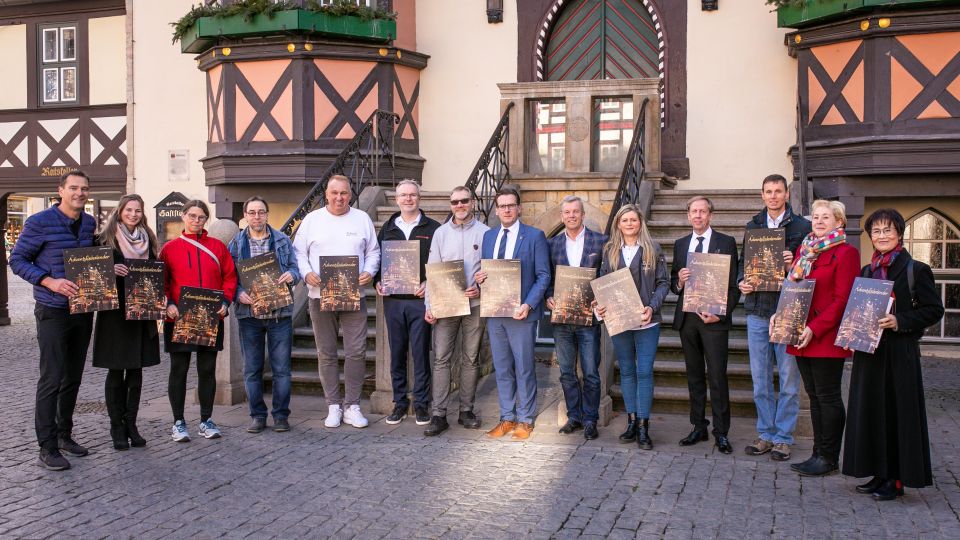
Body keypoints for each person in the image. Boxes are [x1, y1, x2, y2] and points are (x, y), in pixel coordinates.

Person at [842, 208, 943, 500]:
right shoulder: (866, 271)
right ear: (870, 236)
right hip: (869, 353)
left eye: (887, 230)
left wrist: (900, 321)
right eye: (876, 231)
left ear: (898, 233)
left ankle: (896, 479)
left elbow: (934, 310)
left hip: (899, 354)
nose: (882, 236)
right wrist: (851, 331)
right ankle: (878, 472)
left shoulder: (916, 270)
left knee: (896, 414)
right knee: (872, 412)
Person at [10, 170, 97, 470]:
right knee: (52, 377)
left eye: (84, 189)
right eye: (73, 188)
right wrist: (49, 281)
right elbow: (17, 261)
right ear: (60, 190)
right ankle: (46, 446)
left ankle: (64, 435)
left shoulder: (89, 222)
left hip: (82, 310)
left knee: (72, 377)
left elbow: (92, 260)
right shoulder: (39, 222)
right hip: (52, 310)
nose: (79, 193)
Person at [293, 174, 380, 429]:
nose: (339, 198)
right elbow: (298, 252)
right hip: (319, 296)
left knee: (356, 351)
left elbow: (373, 251)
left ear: (350, 194)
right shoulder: (312, 220)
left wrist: (370, 271)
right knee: (326, 353)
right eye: (334, 193)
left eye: (343, 193)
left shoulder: (362, 219)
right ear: (326, 194)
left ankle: (352, 406)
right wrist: (306, 273)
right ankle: (333, 405)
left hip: (354, 295)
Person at [738, 174, 811, 462]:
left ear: (786, 194)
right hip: (757, 309)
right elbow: (746, 265)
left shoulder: (802, 227)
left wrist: (794, 263)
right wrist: (742, 282)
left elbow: (809, 268)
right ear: (762, 194)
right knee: (760, 379)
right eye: (768, 192)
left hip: (788, 310)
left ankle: (783, 437)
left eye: (778, 191)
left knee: (789, 379)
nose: (773, 196)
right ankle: (765, 434)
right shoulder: (753, 226)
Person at [785, 199, 859, 477]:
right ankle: (817, 452)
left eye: (825, 217)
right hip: (800, 334)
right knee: (814, 397)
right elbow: (794, 291)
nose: (818, 221)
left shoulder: (845, 253)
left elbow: (842, 301)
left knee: (827, 396)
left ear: (839, 222)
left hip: (824, 335)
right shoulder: (806, 251)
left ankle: (829, 456)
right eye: (815, 217)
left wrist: (815, 327)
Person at [475, 188, 550, 441]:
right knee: (502, 367)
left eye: (511, 205)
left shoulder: (534, 236)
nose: (506, 209)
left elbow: (543, 275)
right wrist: (480, 278)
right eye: (502, 206)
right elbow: (486, 272)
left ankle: (526, 419)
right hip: (496, 312)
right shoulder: (489, 237)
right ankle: (507, 417)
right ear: (496, 210)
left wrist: (528, 304)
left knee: (525, 367)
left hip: (521, 313)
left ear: (519, 208)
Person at [160, 200, 238, 443]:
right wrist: (168, 303)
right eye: (192, 216)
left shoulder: (217, 247)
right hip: (179, 316)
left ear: (206, 219)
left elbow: (229, 277)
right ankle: (178, 422)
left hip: (211, 316)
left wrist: (225, 302)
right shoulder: (170, 248)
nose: (196, 220)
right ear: (184, 217)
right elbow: (162, 282)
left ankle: (206, 419)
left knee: (206, 370)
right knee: (179, 370)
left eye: (201, 217)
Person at [92, 194, 162, 450]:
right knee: (115, 371)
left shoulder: (150, 241)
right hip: (115, 316)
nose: (134, 214)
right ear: (120, 212)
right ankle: (116, 427)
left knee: (136, 371)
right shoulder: (104, 240)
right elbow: (91, 274)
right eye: (129, 210)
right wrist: (110, 271)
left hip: (141, 314)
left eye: (138, 210)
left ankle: (131, 424)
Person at [596, 204, 668, 450]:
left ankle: (644, 427)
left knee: (644, 372)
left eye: (633, 220)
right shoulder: (610, 251)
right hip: (620, 321)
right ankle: (631, 421)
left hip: (647, 321)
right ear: (618, 224)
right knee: (626, 371)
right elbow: (602, 282)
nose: (629, 224)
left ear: (640, 223)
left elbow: (663, 283)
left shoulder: (652, 249)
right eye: (624, 220)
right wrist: (600, 305)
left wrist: (652, 307)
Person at [671, 195, 739, 454]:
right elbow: (674, 285)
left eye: (703, 211)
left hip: (713, 320)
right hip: (688, 319)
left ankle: (721, 432)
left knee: (718, 377)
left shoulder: (726, 242)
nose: (698, 215)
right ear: (688, 216)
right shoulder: (680, 244)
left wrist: (720, 315)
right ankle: (698, 425)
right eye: (693, 211)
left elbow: (733, 286)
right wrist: (679, 281)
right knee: (694, 375)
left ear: (710, 215)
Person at [228, 196, 301, 434]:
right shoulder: (236, 244)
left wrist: (292, 275)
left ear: (267, 214)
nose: (257, 217)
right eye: (252, 212)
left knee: (282, 369)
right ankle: (257, 415)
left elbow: (295, 267)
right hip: (249, 315)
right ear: (245, 215)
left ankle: (281, 416)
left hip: (279, 314)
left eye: (261, 212)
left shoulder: (282, 240)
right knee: (252, 369)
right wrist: (238, 293)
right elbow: (229, 277)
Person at [422, 186, 488, 436]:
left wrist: (482, 288)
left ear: (472, 203)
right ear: (450, 205)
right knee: (441, 359)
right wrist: (429, 305)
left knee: (470, 358)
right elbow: (433, 270)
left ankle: (466, 410)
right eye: (454, 202)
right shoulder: (440, 234)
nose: (459, 205)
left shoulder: (485, 233)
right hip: (445, 305)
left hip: (474, 305)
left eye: (463, 201)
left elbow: (490, 270)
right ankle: (438, 414)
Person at [376, 180, 440, 426]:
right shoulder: (388, 228)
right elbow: (377, 260)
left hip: (419, 301)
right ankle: (400, 403)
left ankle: (422, 404)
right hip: (393, 301)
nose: (408, 199)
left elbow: (440, 261)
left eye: (412, 195)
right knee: (397, 353)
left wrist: (431, 283)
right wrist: (377, 282)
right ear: (397, 199)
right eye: (403, 195)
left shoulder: (433, 228)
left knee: (421, 353)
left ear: (419, 198)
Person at [546, 195, 608, 440]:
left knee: (591, 372)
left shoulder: (600, 241)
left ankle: (591, 418)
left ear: (583, 215)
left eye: (575, 212)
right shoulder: (552, 244)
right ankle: (574, 416)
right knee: (567, 372)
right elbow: (547, 277)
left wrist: (601, 298)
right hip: (561, 319)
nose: (571, 216)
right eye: (567, 212)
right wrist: (547, 298)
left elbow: (606, 275)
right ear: (562, 217)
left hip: (588, 319)